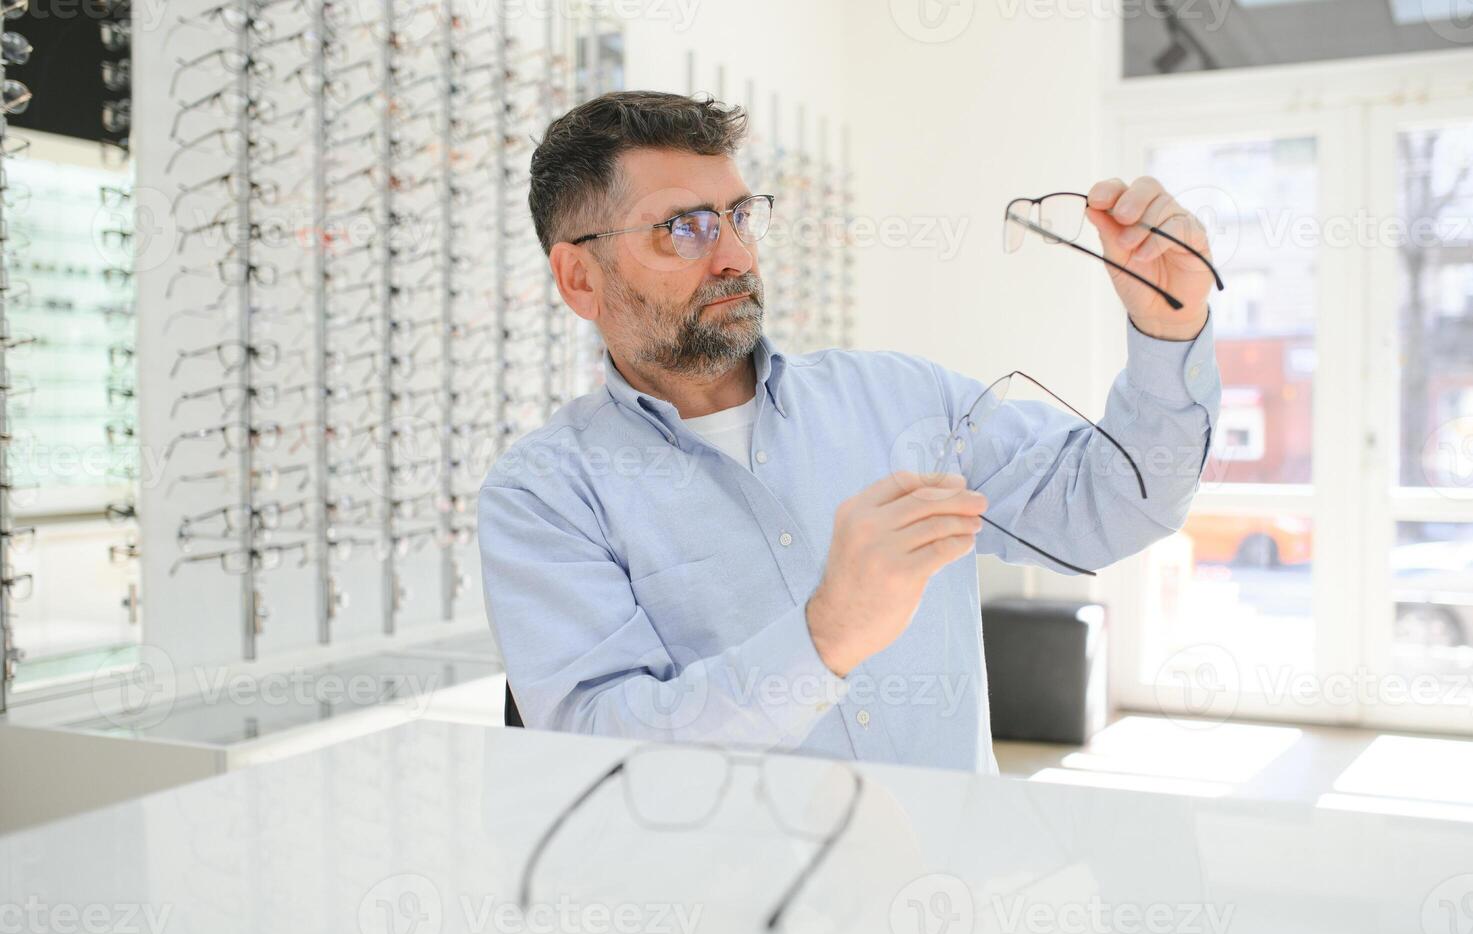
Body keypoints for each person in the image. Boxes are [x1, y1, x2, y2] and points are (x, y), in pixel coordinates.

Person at [477, 90, 1221, 773]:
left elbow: (1122, 503)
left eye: (739, 215)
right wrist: (823, 636)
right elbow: (595, 752)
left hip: (944, 897)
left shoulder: (901, 399)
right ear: (580, 278)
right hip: (728, 910)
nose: (735, 255)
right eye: (685, 229)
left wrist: (1168, 326)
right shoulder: (544, 494)